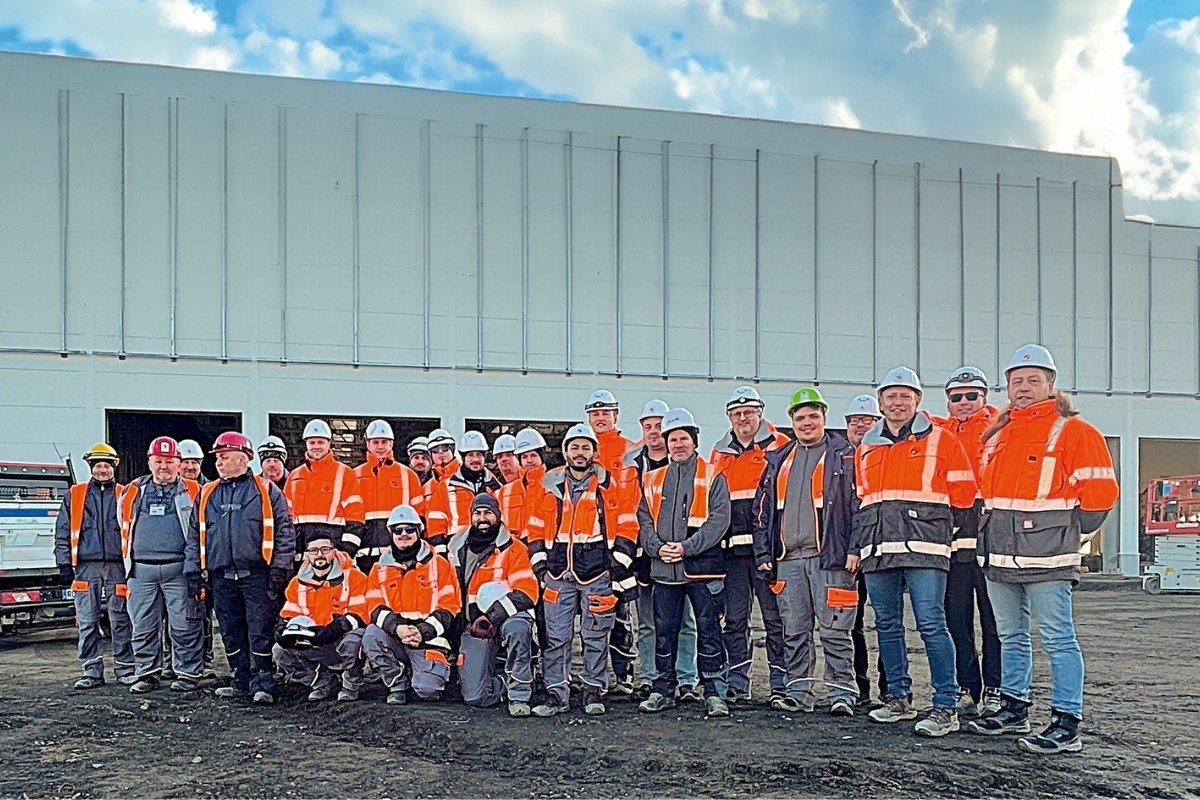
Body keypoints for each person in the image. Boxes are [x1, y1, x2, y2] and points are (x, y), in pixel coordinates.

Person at [966, 344, 1119, 754]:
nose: (1024, 387)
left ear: (1051, 385)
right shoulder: (997, 433)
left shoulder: (1075, 432)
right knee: (1010, 635)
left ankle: (1067, 723)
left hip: (1049, 559)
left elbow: (1100, 496)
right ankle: (1014, 709)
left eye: (1033, 380)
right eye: (1016, 381)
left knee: (1058, 638)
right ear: (1007, 387)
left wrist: (1061, 533)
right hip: (999, 555)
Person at [852, 366, 977, 737]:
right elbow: (863, 498)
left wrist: (936, 529)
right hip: (878, 548)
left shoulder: (943, 440)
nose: (898, 403)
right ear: (881, 403)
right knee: (886, 625)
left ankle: (945, 705)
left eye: (905, 396)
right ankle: (898, 698)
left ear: (918, 400)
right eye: (891, 396)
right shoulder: (867, 446)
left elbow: (964, 496)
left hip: (925, 548)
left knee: (931, 624)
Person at [752, 387, 859, 715]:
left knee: (835, 630)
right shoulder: (779, 459)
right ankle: (798, 693)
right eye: (800, 418)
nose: (807, 422)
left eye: (813, 416)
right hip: (789, 561)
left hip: (831, 559)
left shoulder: (844, 456)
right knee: (794, 630)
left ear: (824, 418)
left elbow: (858, 507)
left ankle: (843, 693)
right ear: (792, 421)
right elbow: (763, 511)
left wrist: (854, 548)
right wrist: (764, 553)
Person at [526, 423, 639, 717]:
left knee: (596, 635)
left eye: (585, 447)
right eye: (574, 447)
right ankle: (557, 694)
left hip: (598, 573)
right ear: (565, 452)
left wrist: (617, 565)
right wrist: (540, 566)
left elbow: (628, 524)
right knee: (556, 637)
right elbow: (535, 526)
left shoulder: (610, 485)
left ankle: (593, 691)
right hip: (557, 573)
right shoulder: (547, 484)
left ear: (594, 452)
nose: (579, 452)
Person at [637, 408, 733, 718]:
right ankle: (663, 690)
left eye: (684, 439)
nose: (678, 444)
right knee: (664, 632)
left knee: (709, 631)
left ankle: (714, 692)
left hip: (702, 571)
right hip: (664, 570)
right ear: (666, 443)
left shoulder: (713, 474)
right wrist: (657, 548)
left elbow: (719, 521)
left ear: (694, 441)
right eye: (673, 439)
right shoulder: (651, 479)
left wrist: (686, 548)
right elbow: (643, 520)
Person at [193, 432, 296, 705]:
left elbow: (285, 531)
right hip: (221, 576)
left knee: (259, 628)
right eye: (218, 458)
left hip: (257, 575)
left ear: (243, 458)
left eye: (224, 457)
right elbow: (195, 535)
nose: (219, 462)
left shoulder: (267, 490)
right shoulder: (207, 493)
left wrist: (280, 568)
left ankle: (264, 681)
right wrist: (195, 572)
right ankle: (240, 679)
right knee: (230, 629)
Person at [709, 385, 788, 705]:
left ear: (761, 413)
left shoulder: (781, 446)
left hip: (768, 552)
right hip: (732, 554)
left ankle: (781, 682)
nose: (743, 418)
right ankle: (738, 682)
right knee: (735, 620)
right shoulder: (719, 452)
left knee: (775, 619)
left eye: (749, 412)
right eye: (736, 413)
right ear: (729, 417)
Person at [933, 366, 1003, 718]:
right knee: (956, 617)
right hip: (953, 528)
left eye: (971, 396)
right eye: (956, 397)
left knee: (994, 619)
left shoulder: (1001, 428)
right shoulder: (938, 434)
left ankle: (996, 687)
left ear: (984, 398)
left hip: (990, 524)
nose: (963, 402)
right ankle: (967, 686)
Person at [625, 399, 700, 703]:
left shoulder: (687, 464)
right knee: (648, 621)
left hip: (682, 554)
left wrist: (680, 548)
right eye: (648, 426)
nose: (654, 431)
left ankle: (686, 678)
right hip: (643, 552)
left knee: (685, 622)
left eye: (659, 426)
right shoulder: (630, 465)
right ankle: (649, 676)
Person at [119, 436, 203, 694]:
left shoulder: (194, 490)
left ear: (178, 463)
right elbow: (120, 524)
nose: (164, 466)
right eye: (158, 461)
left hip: (179, 570)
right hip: (141, 571)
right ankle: (147, 673)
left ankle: (187, 673)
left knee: (184, 625)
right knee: (143, 626)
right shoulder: (133, 490)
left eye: (169, 461)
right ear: (149, 462)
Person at [448, 494, 539, 716]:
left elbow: (527, 592)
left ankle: (520, 693)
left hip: (508, 617)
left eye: (488, 513)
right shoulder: (455, 548)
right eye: (477, 513)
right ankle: (504, 677)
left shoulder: (514, 548)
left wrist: (491, 617)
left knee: (518, 629)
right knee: (475, 696)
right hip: (474, 626)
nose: (482, 518)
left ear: (498, 516)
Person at [361, 504, 462, 704]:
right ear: (391, 534)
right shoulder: (379, 568)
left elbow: (450, 606)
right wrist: (397, 628)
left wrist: (422, 631)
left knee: (427, 691)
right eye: (398, 530)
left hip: (429, 639)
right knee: (371, 635)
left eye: (409, 529)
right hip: (396, 636)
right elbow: (373, 606)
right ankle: (397, 684)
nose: (404, 534)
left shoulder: (439, 565)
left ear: (419, 531)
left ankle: (423, 673)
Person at [54, 443, 135, 689]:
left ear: (114, 468)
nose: (102, 470)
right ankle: (91, 671)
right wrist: (63, 562)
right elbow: (63, 530)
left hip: (118, 568)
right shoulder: (75, 494)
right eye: (98, 465)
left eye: (106, 465)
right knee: (88, 621)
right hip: (85, 568)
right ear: (91, 467)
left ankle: (125, 669)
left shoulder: (125, 494)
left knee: (121, 620)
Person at [273, 533, 370, 702]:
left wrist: (333, 630)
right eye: (314, 550)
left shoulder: (354, 578)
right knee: (279, 651)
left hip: (340, 640)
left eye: (325, 549)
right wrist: (281, 629)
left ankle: (351, 685)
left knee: (354, 640)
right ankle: (323, 683)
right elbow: (288, 614)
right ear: (307, 554)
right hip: (312, 641)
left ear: (334, 551)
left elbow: (361, 614)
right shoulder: (297, 583)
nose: (319, 555)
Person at [843, 394, 888, 706]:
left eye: (866, 420)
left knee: (886, 621)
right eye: (854, 421)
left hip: (881, 550)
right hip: (849, 557)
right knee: (852, 624)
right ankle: (859, 687)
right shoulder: (838, 460)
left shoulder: (886, 454)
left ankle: (891, 688)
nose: (860, 425)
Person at [284, 419, 366, 565]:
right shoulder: (294, 476)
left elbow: (356, 517)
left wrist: (346, 551)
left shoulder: (345, 474)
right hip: (301, 557)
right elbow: (285, 519)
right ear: (306, 444)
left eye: (320, 442)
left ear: (329, 443)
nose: (316, 446)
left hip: (333, 556)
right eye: (312, 442)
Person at [354, 419, 426, 573]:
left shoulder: (408, 475)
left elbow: (419, 515)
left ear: (391, 443)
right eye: (375, 442)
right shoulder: (355, 476)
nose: (380, 446)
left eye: (384, 442)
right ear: (367, 444)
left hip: (400, 553)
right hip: (364, 554)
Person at [425, 431, 502, 553]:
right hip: (457, 547)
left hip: (490, 546)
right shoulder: (446, 486)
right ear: (463, 457)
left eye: (479, 455)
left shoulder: (495, 486)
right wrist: (441, 550)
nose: (475, 459)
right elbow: (435, 520)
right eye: (470, 455)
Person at [496, 427, 548, 540]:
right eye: (524, 456)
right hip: (516, 547)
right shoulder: (506, 491)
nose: (529, 460)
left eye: (533, 455)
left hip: (548, 545)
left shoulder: (554, 485)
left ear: (542, 456)